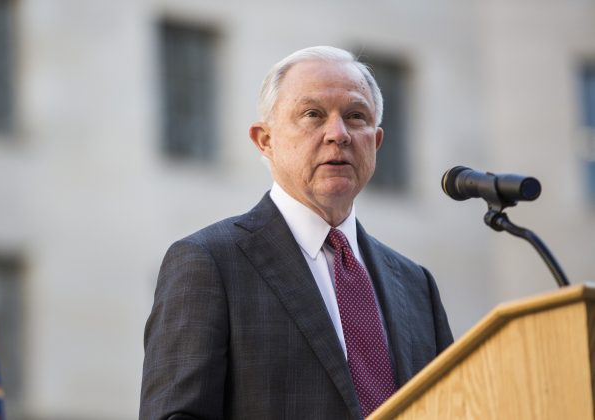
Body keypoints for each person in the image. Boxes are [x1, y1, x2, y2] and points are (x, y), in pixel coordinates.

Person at [140, 46, 453, 420]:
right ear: (265, 141)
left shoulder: (415, 284)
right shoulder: (209, 262)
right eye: (312, 115)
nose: (338, 134)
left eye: (356, 117)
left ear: (376, 141)